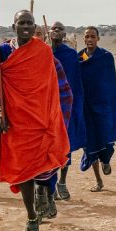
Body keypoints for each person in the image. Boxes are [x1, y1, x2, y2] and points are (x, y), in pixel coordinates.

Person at [0, 10, 70, 231]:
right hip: (15, 121)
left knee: (44, 164)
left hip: (40, 118)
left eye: (29, 23)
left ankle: (45, 193)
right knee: (23, 170)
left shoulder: (43, 51)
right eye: (21, 23)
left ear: (34, 25)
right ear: (14, 25)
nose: (26, 26)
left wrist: (51, 116)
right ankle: (31, 218)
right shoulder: (4, 51)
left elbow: (51, 87)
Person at [78, 26, 116, 192]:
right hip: (86, 108)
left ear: (98, 39)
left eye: (93, 36)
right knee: (89, 144)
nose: (90, 39)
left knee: (105, 138)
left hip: (103, 107)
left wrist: (109, 105)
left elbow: (111, 84)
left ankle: (106, 160)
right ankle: (98, 181)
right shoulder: (79, 58)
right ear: (84, 39)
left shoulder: (106, 57)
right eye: (87, 36)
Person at [50, 21, 86, 200]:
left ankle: (62, 182)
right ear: (49, 33)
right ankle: (50, 183)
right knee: (49, 146)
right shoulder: (44, 52)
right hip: (48, 107)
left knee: (66, 144)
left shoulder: (71, 55)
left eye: (60, 29)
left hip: (66, 106)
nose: (56, 31)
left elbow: (76, 82)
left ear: (64, 35)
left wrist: (76, 106)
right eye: (54, 28)